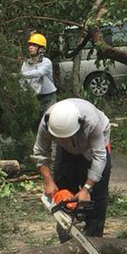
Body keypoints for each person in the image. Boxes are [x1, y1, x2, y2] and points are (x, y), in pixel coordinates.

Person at [34, 98, 113, 240]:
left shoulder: (91, 123)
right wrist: (49, 181)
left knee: (97, 194)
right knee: (63, 188)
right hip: (66, 151)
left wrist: (86, 188)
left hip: (92, 147)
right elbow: (40, 153)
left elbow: (99, 157)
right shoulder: (47, 122)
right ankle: (66, 238)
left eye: (66, 137)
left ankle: (94, 238)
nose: (63, 140)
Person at [22, 32, 57, 115]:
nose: (30, 47)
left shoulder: (47, 62)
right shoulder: (26, 64)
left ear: (41, 49)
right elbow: (22, 81)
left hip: (48, 97)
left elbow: (39, 72)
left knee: (49, 121)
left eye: (34, 45)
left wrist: (22, 75)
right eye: (30, 45)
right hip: (34, 98)